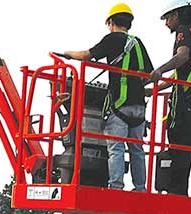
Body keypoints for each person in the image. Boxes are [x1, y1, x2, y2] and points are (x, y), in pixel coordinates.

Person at [62, 3, 153, 192]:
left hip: (119, 105)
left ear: (111, 22)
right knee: (137, 150)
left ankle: (116, 187)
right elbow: (149, 74)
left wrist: (68, 54)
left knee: (116, 148)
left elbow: (88, 55)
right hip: (139, 107)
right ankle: (140, 188)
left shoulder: (112, 38)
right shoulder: (137, 43)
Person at [148, 0, 191, 196]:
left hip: (184, 100)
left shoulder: (183, 31)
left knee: (176, 140)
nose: (166, 23)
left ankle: (175, 189)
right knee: (187, 145)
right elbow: (183, 73)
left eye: (167, 18)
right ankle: (180, 190)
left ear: (176, 15)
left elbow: (182, 57)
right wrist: (154, 90)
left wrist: (159, 70)